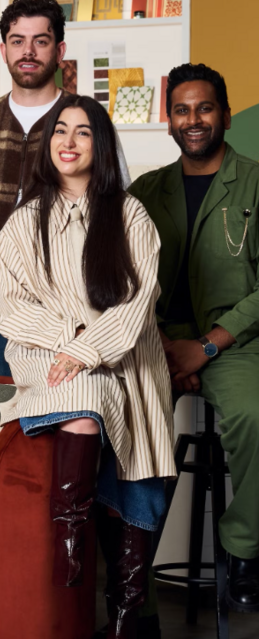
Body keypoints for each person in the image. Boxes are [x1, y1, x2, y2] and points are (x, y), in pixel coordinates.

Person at [0, 95, 174, 639]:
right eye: (59, 132)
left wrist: (89, 346)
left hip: (127, 356)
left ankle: (125, 615)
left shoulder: (130, 214)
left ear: (101, 145)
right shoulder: (24, 221)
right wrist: (68, 342)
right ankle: (68, 539)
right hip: (50, 356)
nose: (68, 143)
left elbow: (139, 301)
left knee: (139, 473)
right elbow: (14, 305)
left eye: (83, 133)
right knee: (87, 402)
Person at [129, 63, 259, 614]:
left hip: (232, 342)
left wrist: (206, 347)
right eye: (181, 110)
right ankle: (131, 565)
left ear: (225, 115)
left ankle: (245, 549)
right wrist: (160, 343)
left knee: (255, 415)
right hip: (155, 342)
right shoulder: (144, 191)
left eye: (204, 108)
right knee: (121, 419)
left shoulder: (255, 181)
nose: (194, 120)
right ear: (169, 120)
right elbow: (121, 277)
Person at [0, 0, 132, 378]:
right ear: (3, 49)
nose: (27, 51)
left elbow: (117, 216)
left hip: (68, 313)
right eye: (17, 41)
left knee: (62, 426)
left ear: (60, 50)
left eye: (41, 41)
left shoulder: (89, 124)